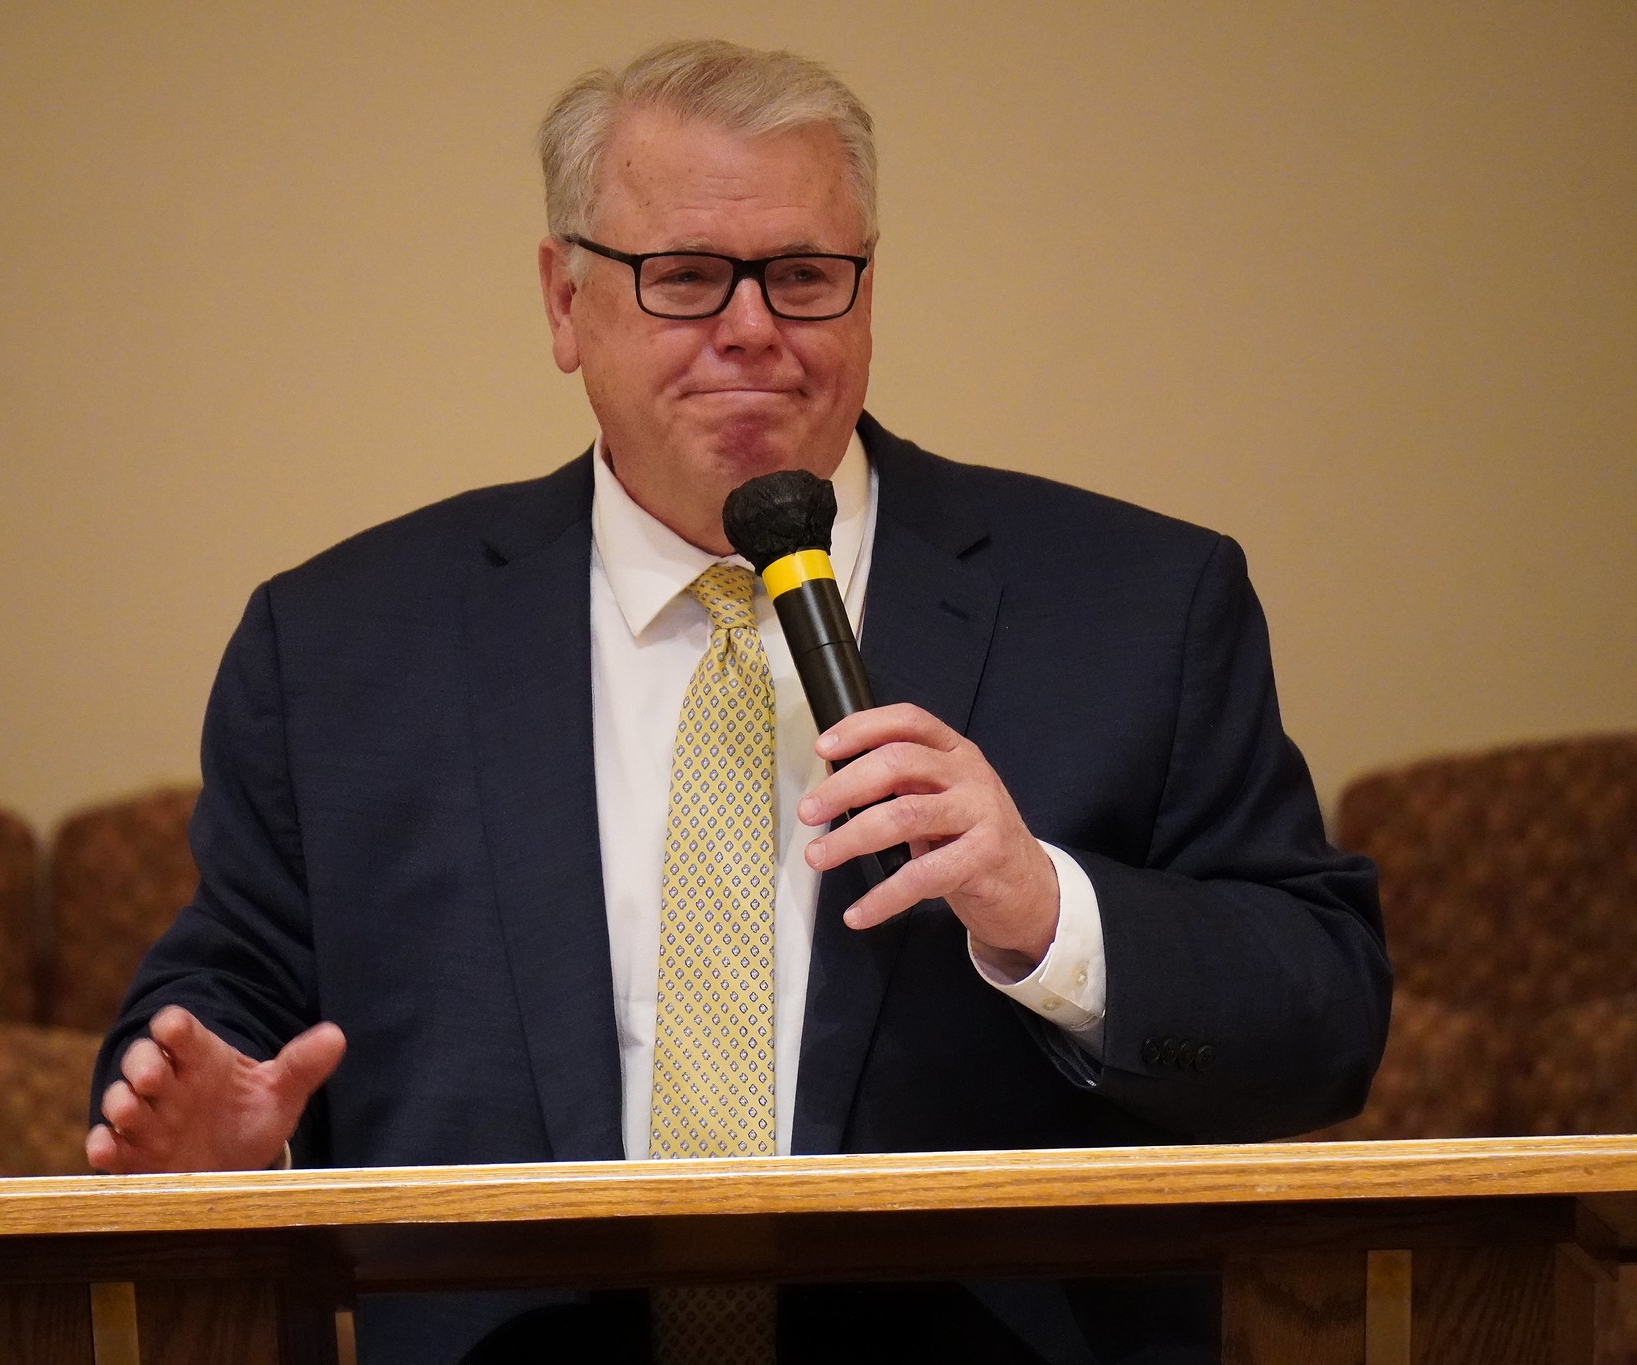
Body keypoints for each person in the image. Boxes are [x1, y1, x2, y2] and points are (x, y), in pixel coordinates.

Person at [88, 39, 1389, 1365]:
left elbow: (1325, 1011)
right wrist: (199, 1136)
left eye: (807, 277)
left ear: (867, 292)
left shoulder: (1137, 607)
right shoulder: (342, 648)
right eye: (688, 278)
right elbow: (226, 1004)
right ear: (562, 299)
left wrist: (1049, 911)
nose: (754, 327)